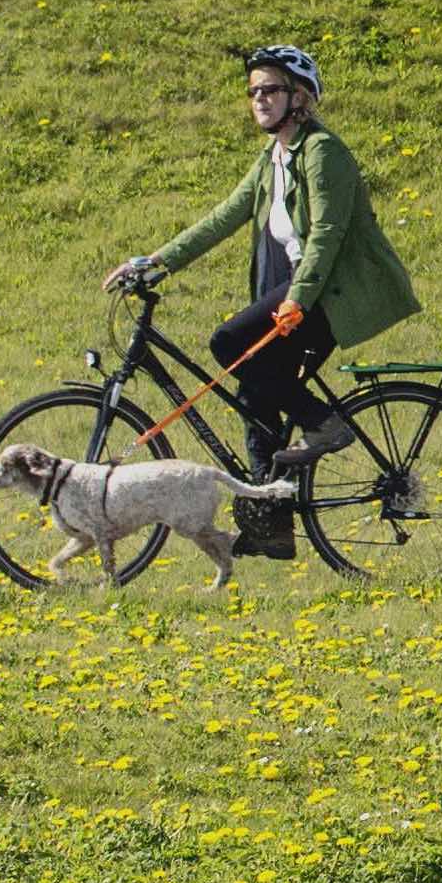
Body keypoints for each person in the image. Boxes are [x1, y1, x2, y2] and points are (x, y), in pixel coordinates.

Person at [106, 45, 420, 562]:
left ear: (300, 98)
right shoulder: (272, 158)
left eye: (270, 90)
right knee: (254, 397)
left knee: (228, 341)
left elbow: (327, 234)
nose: (259, 99)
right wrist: (153, 262)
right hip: (301, 292)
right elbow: (222, 219)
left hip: (327, 293)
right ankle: (271, 526)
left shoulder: (323, 153)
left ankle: (326, 424)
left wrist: (298, 298)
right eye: (253, 91)